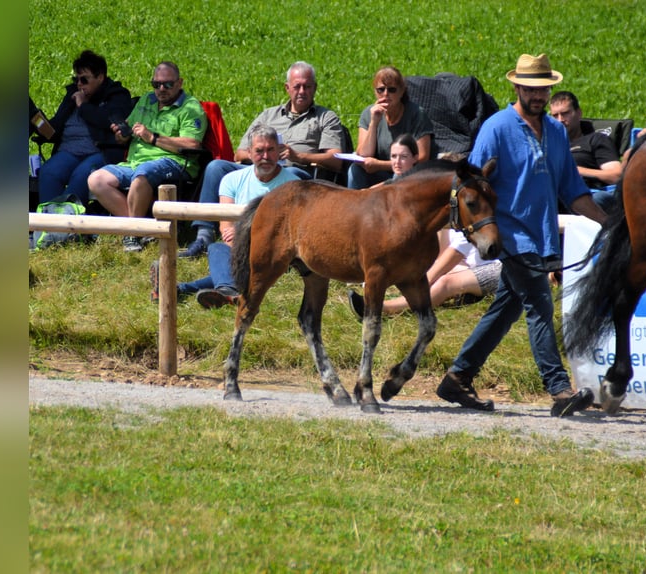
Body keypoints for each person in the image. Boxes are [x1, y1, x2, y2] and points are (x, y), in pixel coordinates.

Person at [436, 53, 608, 416]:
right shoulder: (496, 127)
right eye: (530, 88)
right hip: (510, 236)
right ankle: (560, 391)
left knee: (505, 309)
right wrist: (479, 234)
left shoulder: (558, 133)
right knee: (540, 307)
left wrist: (608, 225)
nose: (538, 95)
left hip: (542, 235)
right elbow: (472, 181)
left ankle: (457, 377)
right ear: (516, 86)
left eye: (543, 88)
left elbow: (573, 190)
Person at [178, 61, 344, 258]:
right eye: (297, 86)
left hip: (296, 172)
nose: (302, 91)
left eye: (307, 86)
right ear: (287, 87)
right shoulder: (269, 115)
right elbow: (240, 153)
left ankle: (266, 234)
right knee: (216, 167)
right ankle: (204, 235)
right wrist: (262, 154)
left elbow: (336, 159)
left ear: (314, 88)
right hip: (258, 166)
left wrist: (298, 156)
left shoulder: (325, 117)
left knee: (295, 175)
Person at [149, 124, 300, 308]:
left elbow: (290, 235)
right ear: (249, 153)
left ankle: (186, 289)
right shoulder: (232, 180)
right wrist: (241, 244)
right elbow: (226, 227)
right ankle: (220, 291)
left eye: (271, 150)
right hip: (239, 249)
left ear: (279, 152)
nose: (266, 157)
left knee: (229, 265)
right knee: (218, 249)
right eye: (259, 151)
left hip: (274, 255)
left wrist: (247, 237)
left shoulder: (293, 185)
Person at [87, 61, 207, 251]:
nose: (161, 89)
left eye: (167, 84)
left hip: (174, 162)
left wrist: (152, 138)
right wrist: (122, 134)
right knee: (96, 179)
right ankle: (144, 229)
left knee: (142, 174)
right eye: (156, 84)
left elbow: (192, 144)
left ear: (179, 83)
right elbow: (128, 133)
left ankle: (133, 234)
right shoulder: (146, 100)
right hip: (134, 162)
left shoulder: (191, 108)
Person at [33, 50, 132, 205]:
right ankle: (51, 222)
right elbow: (58, 123)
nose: (79, 84)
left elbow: (108, 121)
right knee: (49, 172)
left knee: (81, 175)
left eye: (84, 80)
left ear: (100, 77)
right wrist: (41, 125)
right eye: (76, 79)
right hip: (69, 150)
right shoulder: (73, 94)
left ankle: (63, 222)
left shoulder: (116, 95)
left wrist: (83, 106)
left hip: (100, 152)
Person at [347, 228, 502, 317]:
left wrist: (422, 282)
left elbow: (457, 252)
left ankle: (380, 308)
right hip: (469, 263)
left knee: (445, 283)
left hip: (500, 268)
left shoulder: (483, 212)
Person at [347, 66, 434, 189]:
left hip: (408, 175)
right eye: (380, 90)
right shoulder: (369, 113)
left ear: (402, 91)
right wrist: (374, 122)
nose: (386, 94)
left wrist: (380, 165)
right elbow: (364, 154)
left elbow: (422, 158)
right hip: (378, 173)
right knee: (354, 170)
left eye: (392, 90)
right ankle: (355, 206)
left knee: (398, 175)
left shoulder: (417, 114)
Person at [548, 90, 622, 213]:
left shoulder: (595, 139)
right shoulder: (547, 144)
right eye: (555, 115)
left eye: (565, 113)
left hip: (588, 195)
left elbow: (617, 176)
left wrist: (577, 171)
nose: (560, 120)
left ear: (579, 113)